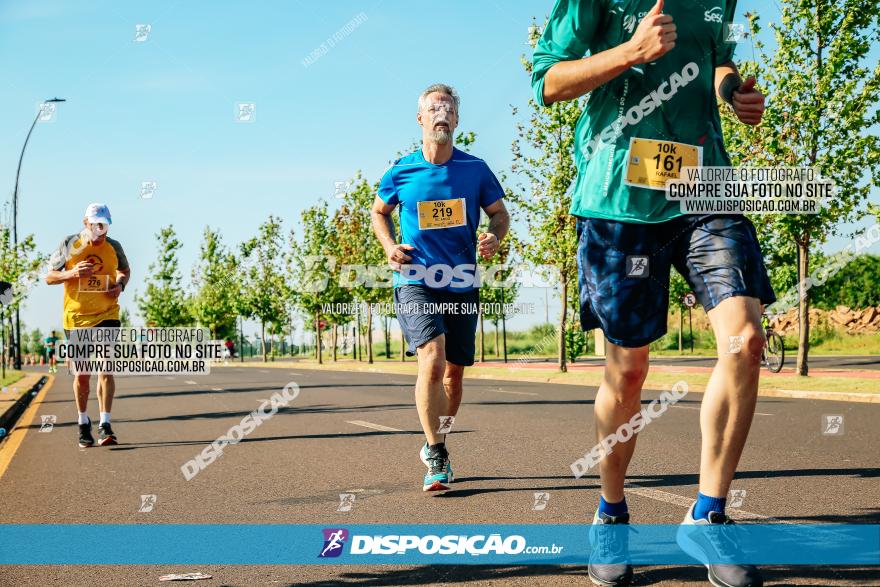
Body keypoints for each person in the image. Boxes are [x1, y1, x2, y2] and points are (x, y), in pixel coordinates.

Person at [533, 1, 773, 585]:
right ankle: (611, 514)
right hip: (619, 196)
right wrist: (630, 52)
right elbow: (549, 82)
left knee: (744, 338)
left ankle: (709, 514)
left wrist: (733, 91)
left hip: (703, 184)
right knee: (629, 370)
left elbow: (717, 57)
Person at [371, 83, 510, 492]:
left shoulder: (475, 169)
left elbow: (500, 215)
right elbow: (379, 213)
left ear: (457, 120)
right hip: (417, 279)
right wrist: (389, 246)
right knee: (431, 358)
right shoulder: (401, 171)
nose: (441, 113)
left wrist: (494, 236)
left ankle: (439, 439)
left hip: (462, 280)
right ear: (421, 119)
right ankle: (436, 452)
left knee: (454, 375)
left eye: (448, 108)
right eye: (434, 107)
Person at [45, 203, 131, 448]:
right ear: (86, 223)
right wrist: (71, 275)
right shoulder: (69, 244)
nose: (99, 229)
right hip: (77, 319)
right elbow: (50, 276)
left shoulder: (114, 246)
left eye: (103, 224)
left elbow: (124, 270)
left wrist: (120, 286)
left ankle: (105, 423)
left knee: (106, 368)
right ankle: (83, 422)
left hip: (107, 314)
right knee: (83, 375)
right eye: (94, 224)